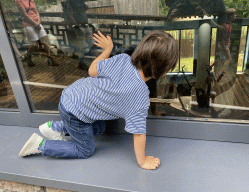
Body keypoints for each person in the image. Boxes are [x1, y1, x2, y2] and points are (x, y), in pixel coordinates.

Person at [19, 30, 179, 170]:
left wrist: (107, 50)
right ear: (163, 70)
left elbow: (92, 70)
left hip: (70, 96)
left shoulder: (123, 59)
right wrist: (142, 161)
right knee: (85, 150)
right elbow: (138, 134)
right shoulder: (139, 97)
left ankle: (55, 128)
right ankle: (40, 146)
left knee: (100, 127)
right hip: (75, 112)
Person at [15, 0, 50, 66]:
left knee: (46, 42)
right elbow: (24, 15)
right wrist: (35, 24)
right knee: (35, 45)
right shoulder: (19, 1)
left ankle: (50, 59)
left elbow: (36, 11)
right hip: (28, 24)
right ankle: (27, 55)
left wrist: (39, 22)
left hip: (37, 23)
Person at [61, 0, 93, 70]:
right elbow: (69, 14)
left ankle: (89, 60)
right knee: (82, 45)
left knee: (91, 42)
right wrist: (76, 25)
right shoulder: (70, 1)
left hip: (85, 24)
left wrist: (86, 5)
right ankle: (81, 63)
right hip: (79, 26)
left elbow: (86, 8)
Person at [218, 8, 236, 73]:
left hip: (224, 44)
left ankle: (218, 73)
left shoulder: (229, 24)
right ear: (231, 16)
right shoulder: (227, 26)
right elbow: (222, 37)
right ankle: (222, 73)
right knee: (229, 59)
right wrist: (224, 47)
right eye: (234, 15)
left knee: (222, 59)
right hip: (224, 45)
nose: (235, 16)